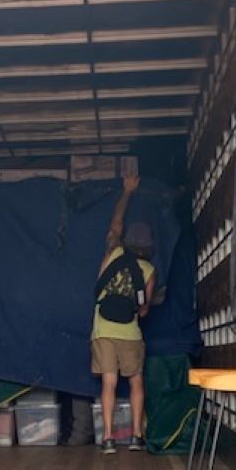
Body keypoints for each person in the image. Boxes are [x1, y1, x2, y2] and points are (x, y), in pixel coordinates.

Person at [92, 174, 156, 455]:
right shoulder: (149, 272)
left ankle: (107, 438)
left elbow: (115, 224)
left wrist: (126, 192)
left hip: (103, 330)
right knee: (136, 381)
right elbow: (144, 309)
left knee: (109, 382)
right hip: (130, 332)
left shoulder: (113, 253)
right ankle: (136, 436)